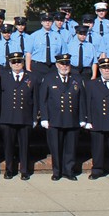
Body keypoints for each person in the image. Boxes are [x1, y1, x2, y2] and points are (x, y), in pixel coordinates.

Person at [40, 53, 87, 181]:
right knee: (55, 147)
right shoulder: (49, 78)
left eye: (67, 64)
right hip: (54, 120)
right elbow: (43, 100)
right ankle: (57, 171)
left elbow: (82, 100)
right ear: (57, 65)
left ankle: (69, 171)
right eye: (62, 64)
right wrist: (44, 118)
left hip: (72, 119)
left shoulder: (77, 78)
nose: (64, 66)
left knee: (71, 148)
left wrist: (83, 118)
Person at [0, 51, 36, 180]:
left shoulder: (31, 77)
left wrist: (35, 117)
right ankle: (9, 170)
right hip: (7, 117)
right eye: (13, 62)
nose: (16, 64)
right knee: (8, 146)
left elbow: (35, 98)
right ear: (9, 63)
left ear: (23, 63)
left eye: (19, 61)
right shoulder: (2, 76)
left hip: (25, 117)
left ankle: (24, 170)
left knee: (24, 146)